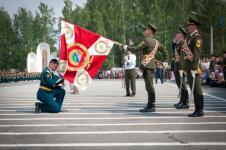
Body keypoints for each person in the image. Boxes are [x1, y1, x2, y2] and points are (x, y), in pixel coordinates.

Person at [123, 23, 168, 112]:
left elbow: (136, 48)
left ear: (150, 31)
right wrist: (165, 60)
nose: (145, 31)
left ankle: (151, 106)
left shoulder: (147, 41)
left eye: (146, 29)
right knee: (149, 86)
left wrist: (127, 47)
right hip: (150, 65)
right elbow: (164, 51)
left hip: (147, 66)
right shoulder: (156, 42)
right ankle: (150, 105)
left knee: (149, 86)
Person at [185, 17, 204, 117]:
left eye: (189, 25)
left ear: (194, 26)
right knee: (194, 89)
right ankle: (197, 109)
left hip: (195, 68)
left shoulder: (197, 37)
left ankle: (199, 110)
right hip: (190, 67)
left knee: (197, 89)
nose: (188, 27)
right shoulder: (190, 37)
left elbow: (196, 53)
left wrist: (194, 67)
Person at [173, 26, 189, 109]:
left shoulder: (182, 42)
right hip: (178, 66)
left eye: (177, 33)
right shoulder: (178, 43)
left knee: (182, 85)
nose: (176, 35)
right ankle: (182, 100)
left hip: (181, 67)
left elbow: (182, 56)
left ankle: (185, 102)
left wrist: (182, 68)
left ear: (181, 35)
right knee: (180, 85)